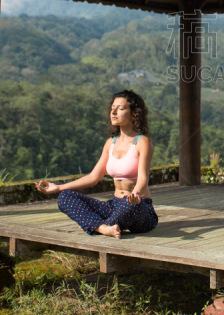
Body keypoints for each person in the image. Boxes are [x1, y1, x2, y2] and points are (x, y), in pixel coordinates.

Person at [34, 90, 158, 239]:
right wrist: (59, 187)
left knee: (128, 204)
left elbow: (143, 178)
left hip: (140, 207)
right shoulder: (110, 143)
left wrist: (136, 194)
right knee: (65, 197)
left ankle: (97, 225)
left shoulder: (142, 142)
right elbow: (93, 177)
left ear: (134, 114)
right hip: (115, 206)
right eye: (112, 107)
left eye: (120, 108)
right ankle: (104, 228)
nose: (113, 111)